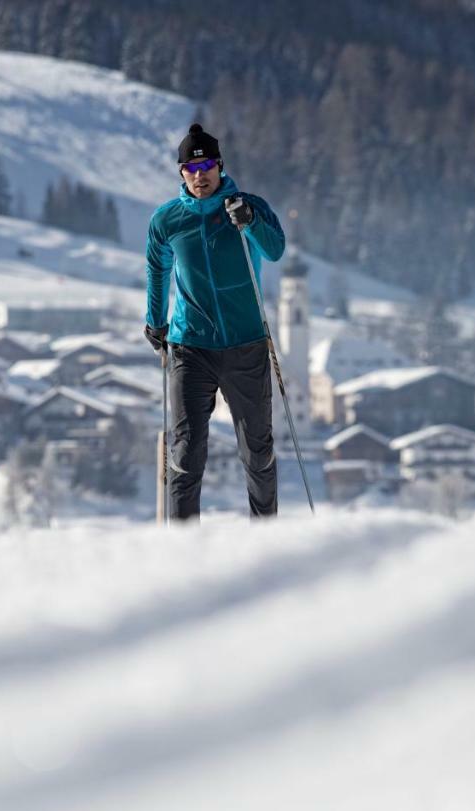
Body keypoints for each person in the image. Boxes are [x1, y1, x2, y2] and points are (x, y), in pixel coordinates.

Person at [144, 123, 286, 520]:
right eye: (190, 167)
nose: (199, 174)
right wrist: (155, 322)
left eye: (206, 165)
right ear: (181, 173)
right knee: (186, 451)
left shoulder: (247, 205)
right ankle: (183, 544)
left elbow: (275, 251)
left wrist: (251, 221)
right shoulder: (167, 220)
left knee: (257, 452)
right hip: (192, 347)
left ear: (220, 166)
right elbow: (157, 270)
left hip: (246, 343)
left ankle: (266, 534)